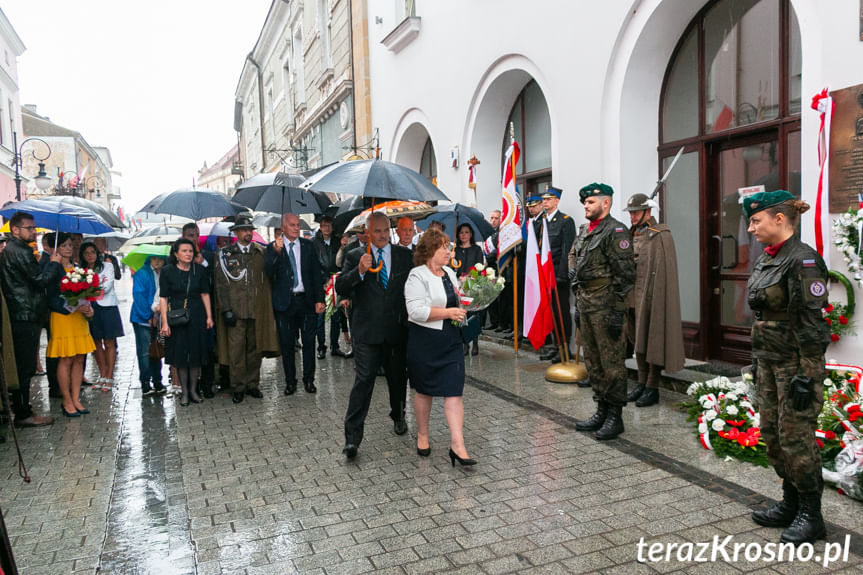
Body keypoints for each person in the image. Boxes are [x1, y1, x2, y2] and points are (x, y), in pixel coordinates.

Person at [744, 191, 829, 544]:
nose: (750, 228)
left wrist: (808, 376)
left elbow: (813, 325)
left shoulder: (803, 261)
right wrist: (756, 362)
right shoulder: (768, 259)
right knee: (773, 436)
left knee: (796, 439)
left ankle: (811, 515)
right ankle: (790, 502)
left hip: (795, 365)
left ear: (780, 219)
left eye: (756, 220)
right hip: (768, 361)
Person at [336, 212, 413, 459]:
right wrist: (358, 271)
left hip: (396, 330)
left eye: (384, 230)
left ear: (390, 230)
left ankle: (398, 414)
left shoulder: (404, 256)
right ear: (368, 232)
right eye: (376, 231)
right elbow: (341, 287)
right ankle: (352, 438)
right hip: (366, 332)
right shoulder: (355, 256)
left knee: (397, 379)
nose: (381, 235)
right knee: (363, 382)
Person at [568, 183, 635, 440]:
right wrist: (577, 293)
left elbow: (626, 275)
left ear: (605, 203)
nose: (586, 206)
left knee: (611, 363)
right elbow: (576, 259)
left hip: (607, 305)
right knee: (593, 361)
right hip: (587, 303)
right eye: (585, 202)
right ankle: (601, 409)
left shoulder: (616, 231)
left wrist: (619, 311)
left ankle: (615, 416)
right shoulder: (586, 230)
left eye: (591, 202)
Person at [405, 229, 476, 466]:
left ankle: (458, 445)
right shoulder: (417, 276)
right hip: (425, 341)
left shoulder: (449, 272)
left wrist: (471, 293)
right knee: (424, 391)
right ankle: (423, 435)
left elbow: (456, 299)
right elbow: (415, 311)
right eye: (444, 247)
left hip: (451, 339)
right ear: (429, 250)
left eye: (449, 246)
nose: (449, 251)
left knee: (454, 391)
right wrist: (447, 312)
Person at [0, 211, 62, 427]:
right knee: (24, 367)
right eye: (29, 228)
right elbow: (40, 280)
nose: (34, 232)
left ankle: (21, 410)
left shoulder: (11, 250)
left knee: (22, 365)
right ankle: (23, 413)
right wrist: (54, 263)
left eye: (34, 228)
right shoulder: (20, 251)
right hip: (25, 314)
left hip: (21, 312)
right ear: (15, 229)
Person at [623, 193, 685, 407]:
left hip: (651, 296)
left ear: (648, 212)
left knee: (652, 339)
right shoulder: (631, 233)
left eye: (636, 212)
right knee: (637, 339)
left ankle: (652, 386)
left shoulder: (661, 234)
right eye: (630, 213)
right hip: (632, 295)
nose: (632, 217)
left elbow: (663, 269)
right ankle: (641, 382)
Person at [215, 214, 279, 404]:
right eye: (244, 230)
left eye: (250, 230)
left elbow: (270, 275)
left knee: (254, 349)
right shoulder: (225, 254)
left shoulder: (261, 252)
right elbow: (221, 284)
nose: (248, 233)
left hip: (256, 308)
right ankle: (238, 386)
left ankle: (253, 384)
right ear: (236, 233)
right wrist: (225, 308)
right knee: (236, 350)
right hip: (235, 309)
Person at [266, 213, 325, 395]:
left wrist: (319, 299)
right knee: (287, 345)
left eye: (297, 224)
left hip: (306, 301)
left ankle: (309, 380)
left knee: (309, 342)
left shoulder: (308, 246)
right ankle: (290, 381)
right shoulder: (273, 247)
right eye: (292, 225)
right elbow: (268, 272)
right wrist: (276, 251)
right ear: (283, 227)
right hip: (285, 304)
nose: (296, 228)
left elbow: (316, 274)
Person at [46, 233, 96, 417]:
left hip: (79, 318)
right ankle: (66, 400)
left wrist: (88, 308)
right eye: (63, 245)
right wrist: (72, 308)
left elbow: (87, 293)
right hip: (63, 317)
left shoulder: (78, 268)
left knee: (79, 358)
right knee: (66, 358)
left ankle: (76, 398)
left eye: (69, 245)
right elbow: (50, 296)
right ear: (55, 249)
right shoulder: (53, 268)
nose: (68, 248)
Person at [159, 238, 213, 406]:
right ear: (176, 254)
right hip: (176, 316)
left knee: (196, 353)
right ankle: (184, 392)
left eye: (190, 251)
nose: (188, 254)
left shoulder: (199, 270)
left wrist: (209, 316)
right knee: (181, 354)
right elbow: (163, 298)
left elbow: (205, 294)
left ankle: (194, 391)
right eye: (184, 251)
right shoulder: (167, 271)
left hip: (197, 314)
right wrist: (165, 323)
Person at [80, 241, 125, 391]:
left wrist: (89, 289)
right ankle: (102, 374)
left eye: (92, 252)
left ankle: (110, 376)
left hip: (107, 307)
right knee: (96, 343)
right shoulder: (80, 270)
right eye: (86, 253)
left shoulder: (108, 266)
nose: (90, 255)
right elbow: (79, 290)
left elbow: (106, 287)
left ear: (97, 253)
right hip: (90, 308)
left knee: (110, 342)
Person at [539, 187, 576, 363]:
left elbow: (566, 250)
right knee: (550, 312)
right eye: (543, 199)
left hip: (557, 275)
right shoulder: (542, 221)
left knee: (561, 311)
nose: (545, 202)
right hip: (544, 275)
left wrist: (562, 275)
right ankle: (555, 345)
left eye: (548, 199)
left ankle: (565, 347)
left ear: (557, 201)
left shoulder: (565, 221)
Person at [130, 255, 166, 396]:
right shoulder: (142, 273)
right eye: (154, 259)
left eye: (160, 259)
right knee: (144, 352)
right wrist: (148, 317)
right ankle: (145, 383)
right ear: (149, 260)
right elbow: (138, 296)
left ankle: (158, 381)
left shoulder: (163, 273)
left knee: (155, 350)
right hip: (142, 318)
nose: (157, 262)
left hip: (157, 318)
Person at [313, 215, 344, 358]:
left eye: (329, 225)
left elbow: (340, 262)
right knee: (320, 317)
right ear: (320, 227)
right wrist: (324, 280)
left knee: (335, 316)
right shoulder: (314, 243)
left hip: (335, 281)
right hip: (320, 284)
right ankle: (321, 346)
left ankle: (335, 345)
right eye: (324, 225)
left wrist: (334, 279)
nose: (327, 228)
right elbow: (314, 264)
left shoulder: (337, 241)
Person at [453, 223, 484, 356]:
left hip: (472, 285)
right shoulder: (455, 250)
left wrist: (470, 278)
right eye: (461, 232)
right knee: (462, 315)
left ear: (471, 234)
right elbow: (453, 268)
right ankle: (465, 343)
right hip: (459, 286)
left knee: (473, 315)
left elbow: (480, 266)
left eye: (466, 232)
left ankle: (475, 343)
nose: (464, 235)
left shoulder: (476, 249)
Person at [484, 210, 502, 330]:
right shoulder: (487, 233)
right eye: (491, 218)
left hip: (498, 267)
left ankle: (501, 323)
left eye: (496, 218)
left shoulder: (501, 233)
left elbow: (498, 250)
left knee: (500, 297)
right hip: (488, 268)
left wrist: (486, 257)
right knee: (490, 295)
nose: (493, 220)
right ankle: (493, 321)